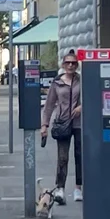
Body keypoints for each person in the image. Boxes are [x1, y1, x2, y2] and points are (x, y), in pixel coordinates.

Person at [41, 53, 82, 203]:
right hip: (62, 123)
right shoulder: (57, 83)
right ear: (63, 65)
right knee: (62, 157)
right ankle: (60, 189)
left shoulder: (81, 81)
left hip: (79, 123)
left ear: (77, 65)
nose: (71, 65)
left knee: (80, 155)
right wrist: (44, 125)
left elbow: (91, 96)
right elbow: (49, 104)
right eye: (68, 63)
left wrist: (81, 107)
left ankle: (78, 188)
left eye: (73, 63)